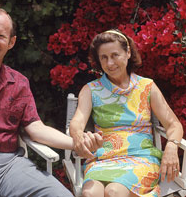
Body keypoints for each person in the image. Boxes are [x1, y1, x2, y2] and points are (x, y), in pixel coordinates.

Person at [0, 8, 103, 197]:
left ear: (11, 42)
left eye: (0, 36)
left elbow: (36, 128)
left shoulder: (19, 83)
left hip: (11, 167)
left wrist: (78, 144)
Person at [69, 29, 183, 197]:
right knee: (90, 194)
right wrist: (78, 136)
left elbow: (173, 124)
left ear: (128, 52)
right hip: (103, 159)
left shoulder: (147, 86)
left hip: (141, 158)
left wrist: (172, 147)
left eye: (115, 55)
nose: (109, 63)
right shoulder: (91, 90)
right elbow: (77, 122)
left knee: (114, 192)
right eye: (104, 57)